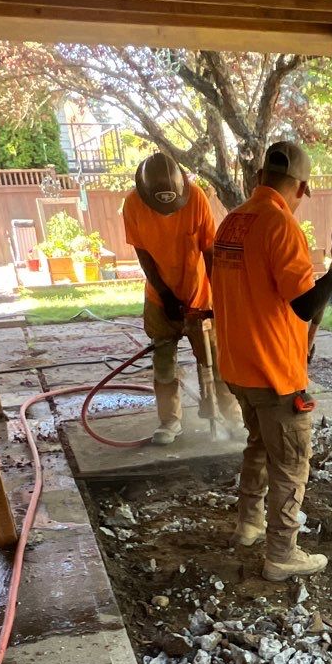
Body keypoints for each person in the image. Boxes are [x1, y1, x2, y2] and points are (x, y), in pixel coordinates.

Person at [210, 142, 332, 581]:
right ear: (302, 187)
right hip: (274, 373)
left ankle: (249, 523)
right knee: (291, 463)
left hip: (238, 367)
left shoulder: (232, 222)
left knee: (259, 443)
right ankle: (281, 554)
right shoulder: (281, 226)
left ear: (259, 178)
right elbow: (304, 304)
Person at [121, 151, 240, 444]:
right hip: (159, 297)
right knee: (164, 363)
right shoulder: (133, 204)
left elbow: (209, 253)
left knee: (215, 361)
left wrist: (219, 299)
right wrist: (165, 294)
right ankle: (170, 422)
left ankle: (232, 417)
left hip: (199, 297)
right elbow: (143, 255)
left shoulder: (196, 199)